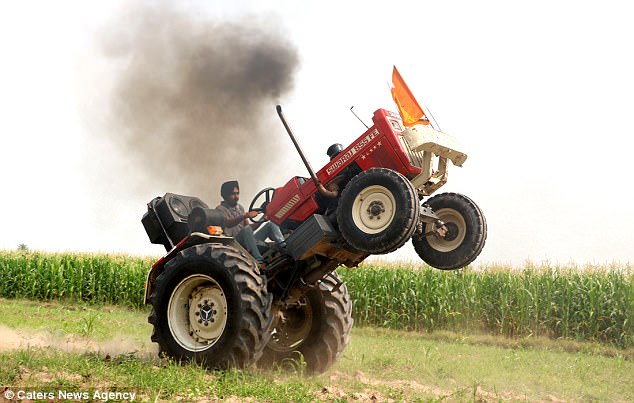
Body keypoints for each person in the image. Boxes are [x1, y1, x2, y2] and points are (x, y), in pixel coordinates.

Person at [216, 180, 286, 265]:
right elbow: (228, 223)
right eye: (233, 194)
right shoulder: (220, 209)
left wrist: (262, 219)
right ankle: (259, 261)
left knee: (270, 224)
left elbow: (249, 228)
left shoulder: (240, 208)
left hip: (248, 241)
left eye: (237, 193)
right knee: (246, 230)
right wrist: (246, 215)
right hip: (234, 244)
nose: (236, 197)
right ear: (225, 196)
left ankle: (284, 246)